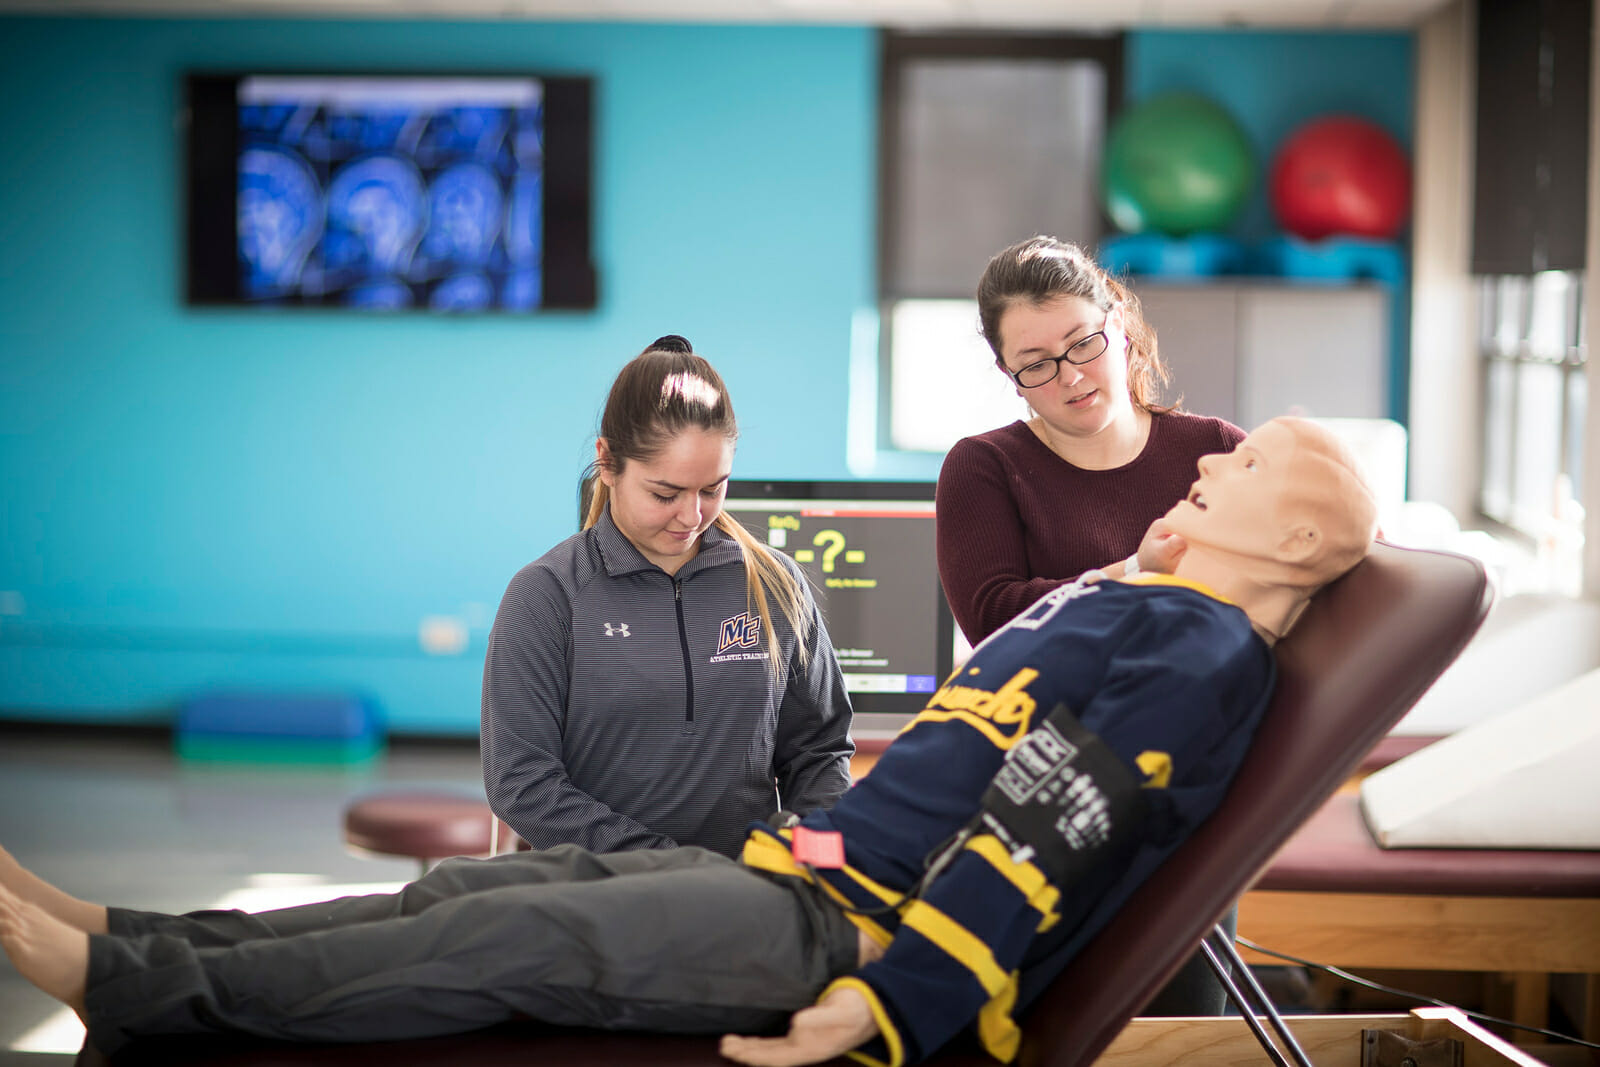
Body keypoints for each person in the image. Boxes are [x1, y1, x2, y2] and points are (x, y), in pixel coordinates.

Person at [0, 418, 1377, 1067]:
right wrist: (1144, 560)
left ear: (1301, 541)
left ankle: (127, 982)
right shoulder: (1158, 610)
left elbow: (1042, 836)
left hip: (857, 937)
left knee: (513, 943)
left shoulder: (1199, 653)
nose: (1207, 465)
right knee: (483, 886)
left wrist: (898, 1001)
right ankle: (128, 931)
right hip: (810, 873)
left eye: (1246, 470)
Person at [481, 335, 854, 858]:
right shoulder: (548, 595)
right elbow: (522, 786)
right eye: (665, 493)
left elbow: (819, 750)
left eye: (712, 488)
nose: (693, 516)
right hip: (599, 904)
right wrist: (667, 870)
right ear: (607, 463)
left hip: (747, 898)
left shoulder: (774, 585)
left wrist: (806, 853)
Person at [937, 235, 1247, 647]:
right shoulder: (984, 466)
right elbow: (993, 620)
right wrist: (1137, 571)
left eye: (1082, 344)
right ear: (1008, 374)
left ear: (1117, 326)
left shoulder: (1216, 449)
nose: (1071, 377)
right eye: (1036, 364)